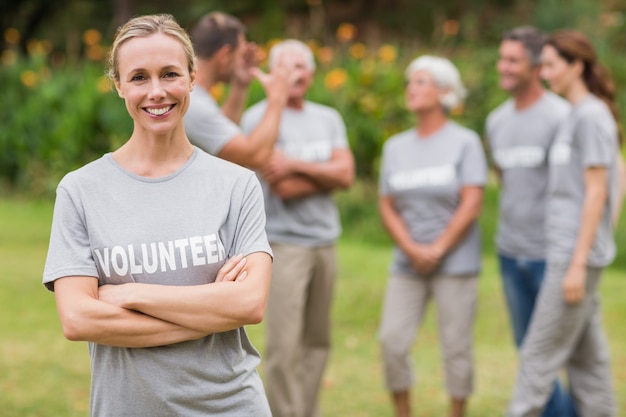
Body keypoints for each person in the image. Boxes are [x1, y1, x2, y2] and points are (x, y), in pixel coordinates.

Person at [42, 14, 273, 416]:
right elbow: (78, 318)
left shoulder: (236, 185)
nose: (157, 92)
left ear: (193, 78)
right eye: (138, 78)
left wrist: (131, 294)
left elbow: (250, 304)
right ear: (118, 85)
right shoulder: (80, 191)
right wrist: (211, 310)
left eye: (170, 74)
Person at [507, 30, 619, 417]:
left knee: (536, 358)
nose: (544, 72)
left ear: (577, 66)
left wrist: (578, 262)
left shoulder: (591, 115)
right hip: (571, 252)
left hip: (571, 257)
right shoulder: (575, 115)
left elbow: (597, 191)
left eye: (552, 65)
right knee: (590, 363)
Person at [240, 39, 355, 417]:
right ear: (273, 75)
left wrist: (298, 165)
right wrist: (326, 173)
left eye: (302, 67)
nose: (296, 75)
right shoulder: (259, 119)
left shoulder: (328, 118)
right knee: (285, 346)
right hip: (284, 244)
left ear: (312, 73)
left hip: (326, 242)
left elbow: (347, 174)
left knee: (318, 340)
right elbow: (283, 187)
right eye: (286, 68)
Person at [377, 55, 486, 417]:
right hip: (407, 263)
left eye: (421, 81)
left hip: (455, 263)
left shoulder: (465, 142)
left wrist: (438, 248)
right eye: (411, 82)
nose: (412, 88)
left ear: (445, 92)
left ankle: (457, 410)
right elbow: (387, 205)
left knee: (456, 347)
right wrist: (411, 248)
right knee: (391, 341)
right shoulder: (396, 147)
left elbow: (471, 203)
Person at [484, 27, 576, 417]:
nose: (502, 67)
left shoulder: (563, 116)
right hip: (511, 253)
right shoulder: (496, 121)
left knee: (551, 357)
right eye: (501, 58)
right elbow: (508, 180)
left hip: (553, 257)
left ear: (537, 67)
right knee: (528, 353)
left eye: (512, 60)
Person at [185, 11, 295, 169]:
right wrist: (278, 97)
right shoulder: (193, 103)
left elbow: (221, 136)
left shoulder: (195, 96)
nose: (241, 61)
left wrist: (240, 85)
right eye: (240, 54)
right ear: (225, 54)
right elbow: (255, 158)